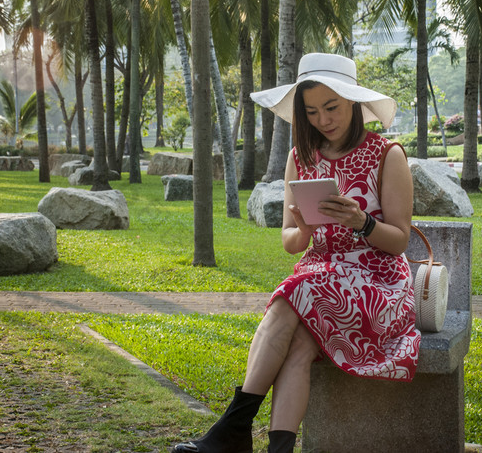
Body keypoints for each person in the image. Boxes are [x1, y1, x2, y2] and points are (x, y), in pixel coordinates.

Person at [171, 53, 421, 453]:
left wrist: (362, 222)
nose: (323, 120)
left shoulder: (386, 155)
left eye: (331, 107)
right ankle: (277, 449)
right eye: (312, 112)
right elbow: (290, 242)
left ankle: (233, 429)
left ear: (353, 102)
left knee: (289, 298)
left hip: (377, 283)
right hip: (317, 279)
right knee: (300, 343)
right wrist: (303, 230)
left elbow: (400, 241)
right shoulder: (299, 158)